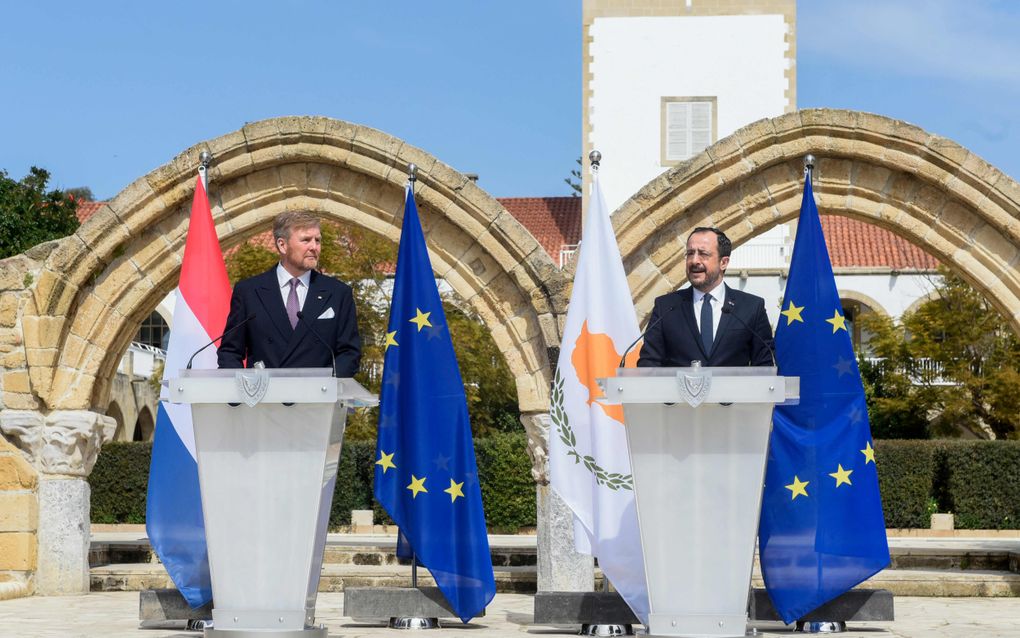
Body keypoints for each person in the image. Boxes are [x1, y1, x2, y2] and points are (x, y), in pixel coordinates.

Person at [218, 211, 361, 376]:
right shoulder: (249, 291)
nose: (314, 247)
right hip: (264, 398)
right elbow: (230, 351)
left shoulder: (338, 293)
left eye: (318, 240)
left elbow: (350, 353)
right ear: (282, 245)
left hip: (316, 397)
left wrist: (327, 385)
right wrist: (242, 391)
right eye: (306, 240)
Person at [637, 227, 773, 368]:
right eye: (690, 253)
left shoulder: (751, 307)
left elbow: (765, 366)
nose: (694, 261)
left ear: (723, 262)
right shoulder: (666, 307)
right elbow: (649, 365)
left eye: (703, 254)